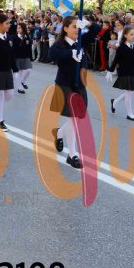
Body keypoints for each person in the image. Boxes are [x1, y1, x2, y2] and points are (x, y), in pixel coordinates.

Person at [49, 15, 88, 169]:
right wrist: (71, 53)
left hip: (79, 85)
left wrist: (87, 23)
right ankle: (72, 155)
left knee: (77, 118)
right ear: (65, 28)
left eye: (78, 27)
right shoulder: (61, 44)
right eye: (74, 27)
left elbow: (96, 30)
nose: (77, 30)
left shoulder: (80, 41)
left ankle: (59, 133)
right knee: (73, 119)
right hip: (65, 84)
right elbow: (52, 54)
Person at [106, 27, 134, 121]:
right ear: (125, 35)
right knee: (129, 92)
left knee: (129, 92)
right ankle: (129, 114)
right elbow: (116, 60)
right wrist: (110, 70)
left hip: (130, 71)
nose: (133, 36)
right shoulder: (121, 47)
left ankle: (115, 102)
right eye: (131, 34)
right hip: (123, 71)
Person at [11, 22, 33, 94]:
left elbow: (29, 47)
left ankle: (23, 82)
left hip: (26, 56)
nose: (18, 29)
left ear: (23, 29)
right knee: (19, 73)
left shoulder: (27, 37)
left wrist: (30, 57)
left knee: (28, 70)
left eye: (19, 28)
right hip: (17, 57)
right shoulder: (15, 38)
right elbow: (13, 48)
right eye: (17, 28)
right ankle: (20, 88)